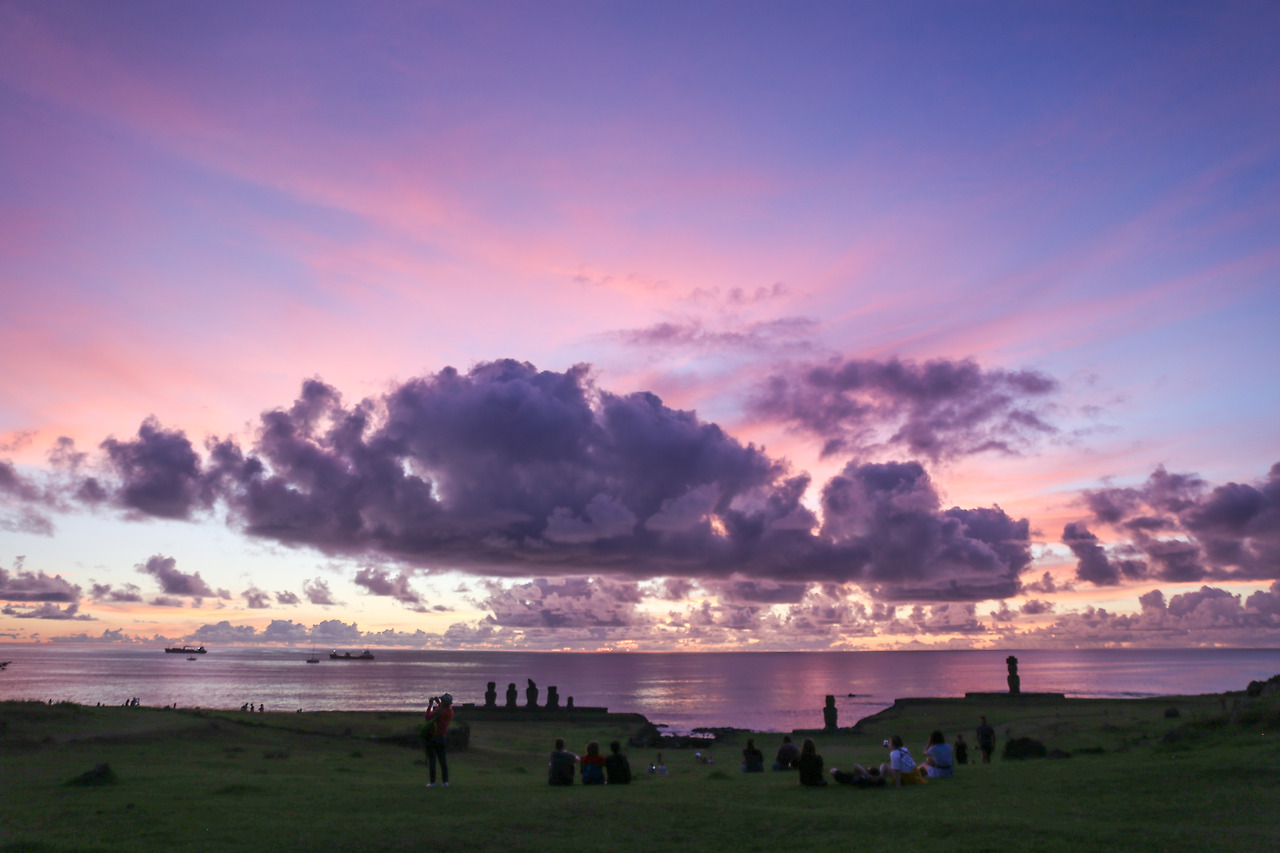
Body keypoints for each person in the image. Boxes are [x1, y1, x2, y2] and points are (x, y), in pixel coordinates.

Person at [422, 693, 454, 788]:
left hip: (433, 737)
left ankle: (432, 782)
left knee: (432, 761)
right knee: (443, 761)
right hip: (442, 738)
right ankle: (445, 782)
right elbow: (443, 709)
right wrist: (438, 703)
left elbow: (428, 717)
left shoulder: (439, 710)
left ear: (444, 702)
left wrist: (430, 705)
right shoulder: (450, 712)